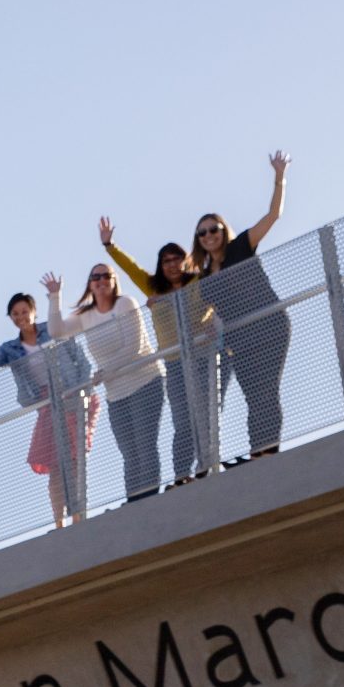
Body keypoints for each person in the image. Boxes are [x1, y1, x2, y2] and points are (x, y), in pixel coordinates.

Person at [192, 151, 294, 461]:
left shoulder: (242, 246)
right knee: (252, 396)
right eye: (203, 232)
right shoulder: (205, 277)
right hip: (240, 338)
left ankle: (267, 452)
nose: (209, 235)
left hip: (269, 325)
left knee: (266, 392)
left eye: (214, 229)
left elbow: (273, 215)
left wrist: (279, 177)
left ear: (223, 230)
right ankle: (257, 453)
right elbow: (206, 312)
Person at [0, 286, 96, 527]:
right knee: (55, 464)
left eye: (24, 312)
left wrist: (83, 388)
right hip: (47, 404)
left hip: (71, 395)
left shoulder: (54, 329)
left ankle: (79, 517)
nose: (21, 318)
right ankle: (59, 522)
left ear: (34, 311)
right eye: (15, 314)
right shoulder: (10, 348)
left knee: (74, 458)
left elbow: (79, 357)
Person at [102, 220, 212, 486]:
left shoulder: (199, 281)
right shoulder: (154, 289)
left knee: (205, 414)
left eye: (176, 259)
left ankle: (207, 465)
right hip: (174, 363)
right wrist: (109, 246)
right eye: (166, 261)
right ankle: (182, 474)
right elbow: (131, 270)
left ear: (186, 261)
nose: (172, 265)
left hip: (201, 356)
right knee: (182, 421)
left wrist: (211, 322)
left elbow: (216, 293)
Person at [52, 261, 165, 502]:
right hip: (116, 393)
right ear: (90, 284)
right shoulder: (85, 315)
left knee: (145, 444)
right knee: (129, 452)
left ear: (114, 281)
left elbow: (133, 347)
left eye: (106, 276)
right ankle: (134, 501)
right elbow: (56, 331)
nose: (101, 281)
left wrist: (105, 372)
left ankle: (151, 499)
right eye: (96, 277)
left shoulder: (125, 304)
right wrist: (54, 296)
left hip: (145, 382)